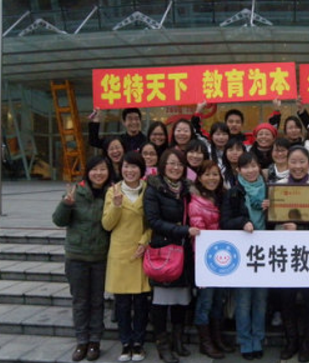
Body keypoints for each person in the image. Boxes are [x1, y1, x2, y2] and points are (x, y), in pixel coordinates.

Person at [52, 155, 112, 362]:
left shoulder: (111, 192)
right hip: (77, 256)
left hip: (100, 256)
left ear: (108, 172)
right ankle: (82, 341)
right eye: (95, 169)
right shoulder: (76, 192)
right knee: (80, 301)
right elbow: (58, 221)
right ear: (88, 172)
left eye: (103, 169)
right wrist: (66, 204)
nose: (99, 173)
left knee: (97, 300)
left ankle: (95, 341)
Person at [274, 146, 309, 363]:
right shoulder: (277, 187)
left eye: (302, 162)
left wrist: (300, 228)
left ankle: (307, 344)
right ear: (287, 163)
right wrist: (268, 209)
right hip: (285, 253)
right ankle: (291, 342)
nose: (297, 166)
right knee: (286, 299)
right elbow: (270, 224)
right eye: (293, 161)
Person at [144, 149, 200, 363]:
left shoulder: (187, 189)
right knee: (161, 301)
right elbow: (153, 221)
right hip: (164, 250)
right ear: (163, 165)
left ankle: (178, 339)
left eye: (179, 164)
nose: (175, 168)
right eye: (171, 163)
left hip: (184, 251)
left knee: (181, 299)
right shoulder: (154, 188)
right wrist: (183, 230)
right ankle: (163, 343)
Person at [101, 152, 151, 362]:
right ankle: (125, 342)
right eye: (126, 166)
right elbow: (107, 224)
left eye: (134, 167)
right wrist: (116, 205)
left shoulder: (148, 190)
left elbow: (152, 221)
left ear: (141, 170)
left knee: (140, 302)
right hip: (120, 252)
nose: (129, 171)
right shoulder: (113, 191)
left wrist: (145, 241)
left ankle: (138, 342)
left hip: (141, 251)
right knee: (121, 304)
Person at [220, 152, 269, 360]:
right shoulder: (234, 193)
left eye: (253, 166)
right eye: (245, 167)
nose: (250, 170)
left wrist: (272, 210)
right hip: (243, 253)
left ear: (259, 167)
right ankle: (245, 340)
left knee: (261, 299)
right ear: (238, 170)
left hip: (266, 252)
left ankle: (258, 339)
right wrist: (242, 222)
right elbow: (225, 222)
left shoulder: (270, 191)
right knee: (243, 300)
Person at [188, 160, 234, 359]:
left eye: (215, 174)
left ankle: (217, 338)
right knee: (205, 302)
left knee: (218, 300)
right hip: (205, 260)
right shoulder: (196, 202)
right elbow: (199, 237)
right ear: (199, 178)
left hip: (223, 259)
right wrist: (202, 263)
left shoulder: (222, 197)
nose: (211, 178)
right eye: (207, 174)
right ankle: (205, 342)